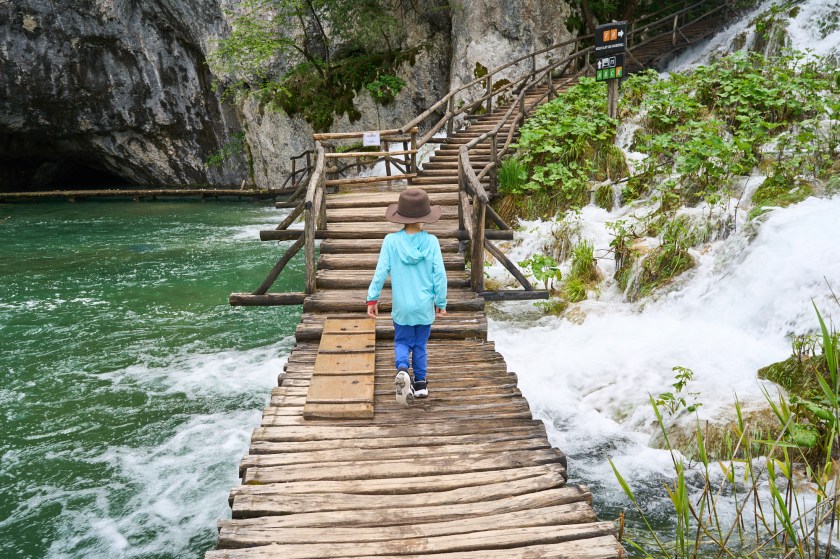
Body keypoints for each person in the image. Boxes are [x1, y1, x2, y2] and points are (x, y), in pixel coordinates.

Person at [366, 188, 447, 403]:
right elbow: (439, 274)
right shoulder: (431, 242)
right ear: (425, 217)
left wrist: (372, 298)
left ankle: (402, 370)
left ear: (400, 216)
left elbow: (381, 271)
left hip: (402, 307)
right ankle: (420, 383)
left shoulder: (391, 241)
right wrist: (441, 302)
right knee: (420, 345)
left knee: (402, 341)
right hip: (424, 307)